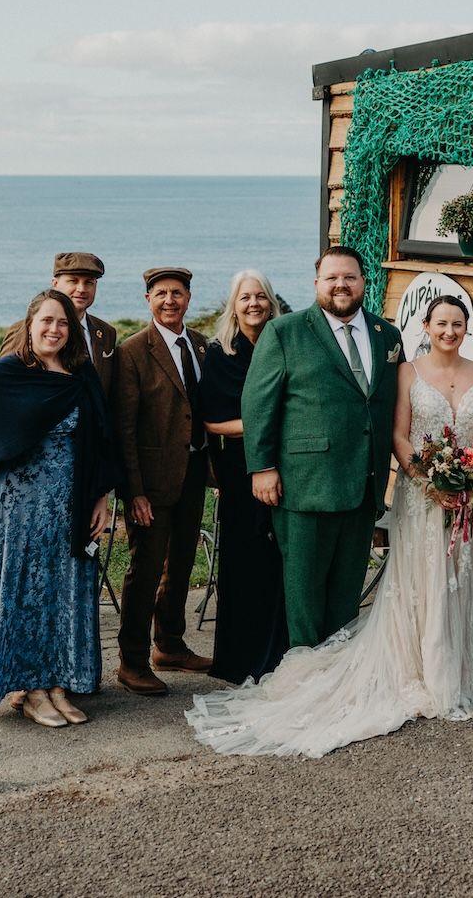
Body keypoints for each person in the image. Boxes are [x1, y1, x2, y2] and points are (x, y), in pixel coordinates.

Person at [185, 293, 473, 757]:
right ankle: (315, 672)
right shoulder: (291, 332)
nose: (449, 331)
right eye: (441, 322)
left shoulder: (393, 341)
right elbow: (267, 402)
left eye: (457, 323)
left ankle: (456, 673)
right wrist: (430, 478)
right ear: (427, 327)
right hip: (378, 488)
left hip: (435, 493)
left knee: (446, 583)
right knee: (334, 582)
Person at [0, 289, 119, 728]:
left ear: (71, 331)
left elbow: (101, 440)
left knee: (64, 593)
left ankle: (56, 684)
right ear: (30, 324)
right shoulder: (7, 374)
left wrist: (102, 498)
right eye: (46, 321)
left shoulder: (81, 373)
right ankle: (29, 689)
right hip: (21, 507)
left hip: (71, 507)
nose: (54, 329)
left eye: (63, 323)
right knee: (28, 596)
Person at [239, 246, 403, 647]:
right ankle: (305, 680)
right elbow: (258, 402)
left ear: (364, 282)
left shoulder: (387, 335)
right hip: (306, 486)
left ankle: (337, 678)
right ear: (317, 284)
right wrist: (262, 467)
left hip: (364, 483)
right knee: (305, 595)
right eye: (331, 278)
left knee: (346, 596)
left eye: (349, 277)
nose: (341, 285)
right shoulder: (286, 332)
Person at [110, 267, 213, 696]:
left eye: (177, 293)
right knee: (146, 568)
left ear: (189, 298)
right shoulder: (133, 352)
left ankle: (169, 645)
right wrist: (133, 491)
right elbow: (125, 429)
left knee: (182, 563)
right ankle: (131, 661)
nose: (170, 300)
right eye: (161, 294)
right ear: (148, 300)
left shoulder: (203, 346)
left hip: (193, 474)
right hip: (150, 483)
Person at [201, 269, 289, 685]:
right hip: (238, 471)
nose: (254, 303)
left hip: (286, 467)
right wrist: (266, 425)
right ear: (233, 306)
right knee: (243, 561)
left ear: (271, 302)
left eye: (261, 296)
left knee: (278, 561)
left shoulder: (285, 344)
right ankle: (239, 659)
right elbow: (213, 421)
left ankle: (279, 654)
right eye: (245, 297)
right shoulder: (220, 353)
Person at [0, 252, 120, 399]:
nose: (81, 289)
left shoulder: (106, 332)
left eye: (89, 282)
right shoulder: (24, 330)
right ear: (55, 284)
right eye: (73, 281)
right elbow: (4, 386)